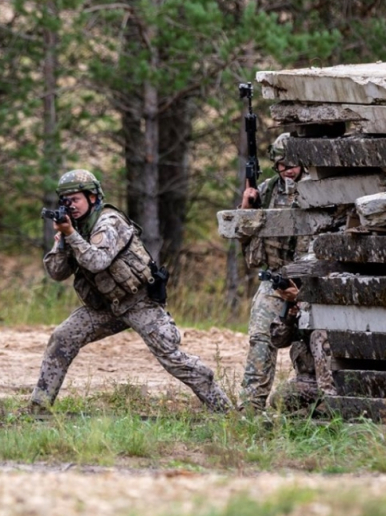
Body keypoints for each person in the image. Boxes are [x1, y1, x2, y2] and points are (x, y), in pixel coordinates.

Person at [30, 169, 234, 413]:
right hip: (105, 307)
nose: (70, 206)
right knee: (62, 338)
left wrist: (71, 235)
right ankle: (39, 408)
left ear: (93, 197)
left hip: (139, 302)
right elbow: (56, 273)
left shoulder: (109, 221)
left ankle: (226, 411)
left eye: (75, 199)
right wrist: (63, 241)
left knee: (172, 357)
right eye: (66, 201)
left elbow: (98, 261)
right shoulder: (75, 229)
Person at [235, 134, 306, 409]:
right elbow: (243, 234)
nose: (287, 170)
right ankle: (251, 407)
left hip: (310, 282)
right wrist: (247, 205)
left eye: (292, 164)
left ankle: (305, 402)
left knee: (306, 347)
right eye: (280, 164)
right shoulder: (267, 190)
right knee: (261, 340)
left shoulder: (320, 191)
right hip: (275, 280)